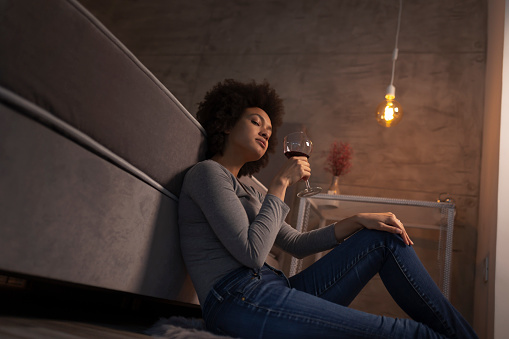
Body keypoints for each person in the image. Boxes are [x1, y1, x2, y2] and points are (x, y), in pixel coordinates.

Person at [178, 79, 478, 339]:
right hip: (238, 299)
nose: (266, 133)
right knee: (409, 334)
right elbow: (252, 254)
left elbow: (296, 243)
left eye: (269, 129)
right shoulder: (208, 174)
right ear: (227, 123)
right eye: (256, 122)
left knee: (384, 238)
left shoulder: (251, 187)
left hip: (274, 289)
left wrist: (357, 221)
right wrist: (281, 183)